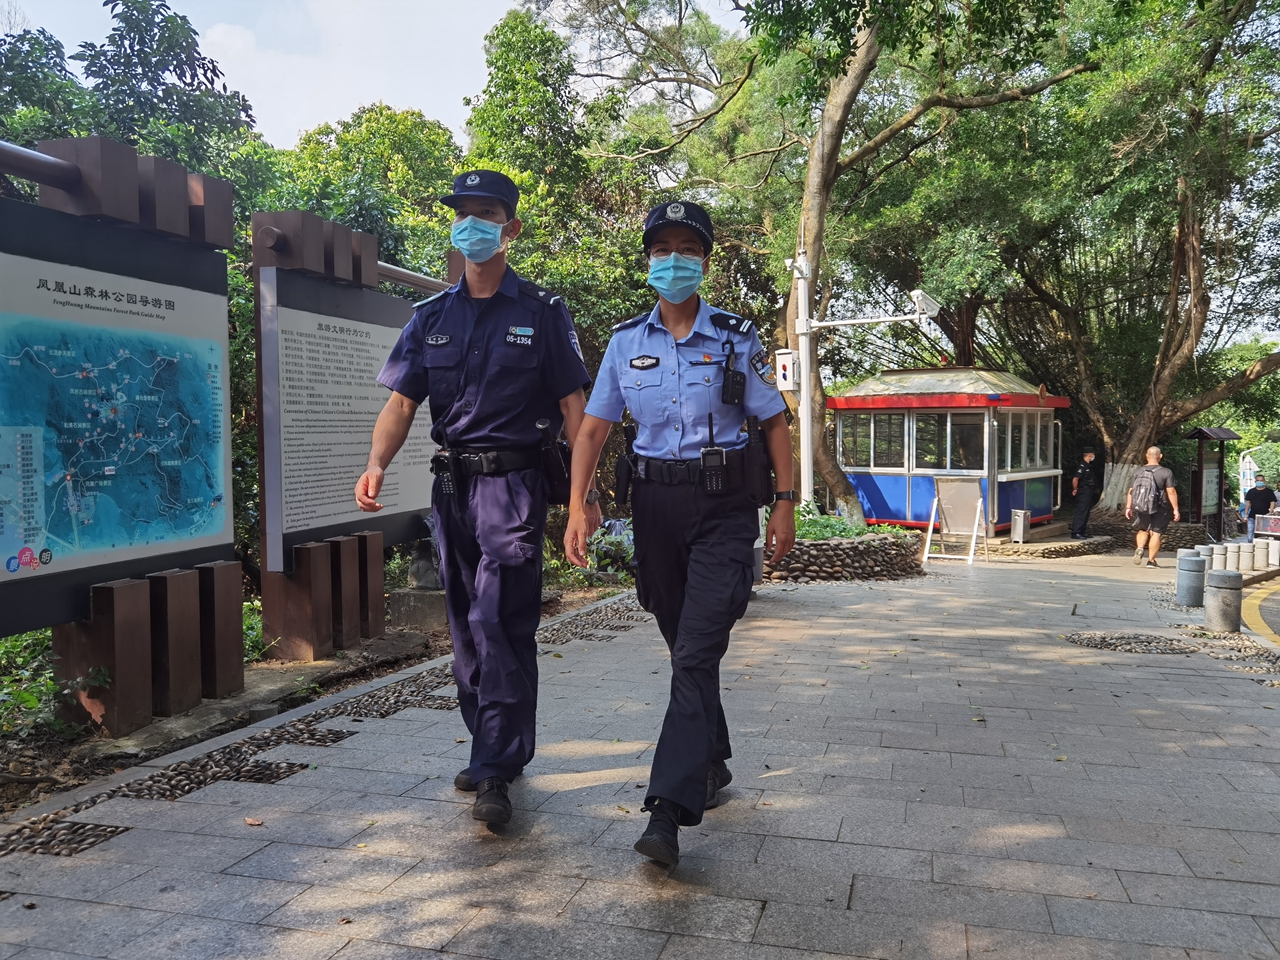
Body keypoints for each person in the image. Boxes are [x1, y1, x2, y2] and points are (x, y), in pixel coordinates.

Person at [355, 170, 597, 825]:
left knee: (500, 621)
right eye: (463, 213)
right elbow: (402, 401)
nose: (473, 225)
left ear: (510, 228)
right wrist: (376, 463)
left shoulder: (542, 314)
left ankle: (495, 763)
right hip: (450, 487)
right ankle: (491, 745)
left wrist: (581, 498)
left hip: (513, 485)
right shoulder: (429, 317)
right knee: (463, 627)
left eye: (486, 213)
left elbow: (575, 408)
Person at [563, 200, 797, 867]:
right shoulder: (623, 343)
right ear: (647, 261)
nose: (673, 261)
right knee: (680, 640)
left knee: (696, 651)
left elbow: (774, 422)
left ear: (704, 260)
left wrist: (783, 503)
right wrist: (579, 504)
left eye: (686, 250)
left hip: (724, 509)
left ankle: (668, 807)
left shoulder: (734, 336)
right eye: (661, 249)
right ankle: (713, 760)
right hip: (655, 509)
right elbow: (595, 429)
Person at [1124, 446, 1180, 568]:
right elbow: (1171, 492)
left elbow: (1131, 491)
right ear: (1160, 456)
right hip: (1161, 507)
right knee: (1156, 533)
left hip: (1141, 506)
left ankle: (1139, 548)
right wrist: (1175, 509)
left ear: (1146, 456)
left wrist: (1128, 507)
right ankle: (1151, 561)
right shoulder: (1166, 472)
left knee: (1143, 530)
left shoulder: (1138, 471)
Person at [1070, 447, 1100, 539]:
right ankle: (1076, 532)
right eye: (1093, 455)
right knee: (1081, 511)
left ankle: (1082, 531)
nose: (1093, 456)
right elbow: (1075, 479)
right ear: (1090, 455)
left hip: (1088, 491)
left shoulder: (1088, 466)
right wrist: (1075, 489)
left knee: (1086, 511)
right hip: (1083, 490)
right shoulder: (1082, 466)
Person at [1242, 473, 1276, 542]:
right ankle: (1250, 546)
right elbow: (1248, 503)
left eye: (1261, 480)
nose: (1259, 482)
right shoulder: (1251, 492)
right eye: (1258, 480)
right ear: (1255, 481)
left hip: (1265, 516)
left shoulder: (1269, 492)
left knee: (1263, 534)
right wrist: (1246, 515)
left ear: (1264, 481)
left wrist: (1270, 512)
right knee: (1250, 532)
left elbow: (1272, 502)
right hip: (1252, 516)